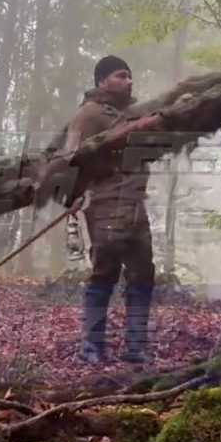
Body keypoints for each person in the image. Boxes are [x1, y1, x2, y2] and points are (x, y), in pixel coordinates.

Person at [36, 55, 177, 365]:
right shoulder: (89, 115)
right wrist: (71, 196)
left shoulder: (128, 114)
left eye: (130, 76)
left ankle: (135, 348)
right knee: (105, 274)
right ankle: (92, 348)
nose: (129, 81)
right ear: (102, 82)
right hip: (105, 205)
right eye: (120, 75)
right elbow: (69, 158)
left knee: (143, 274)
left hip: (134, 204)